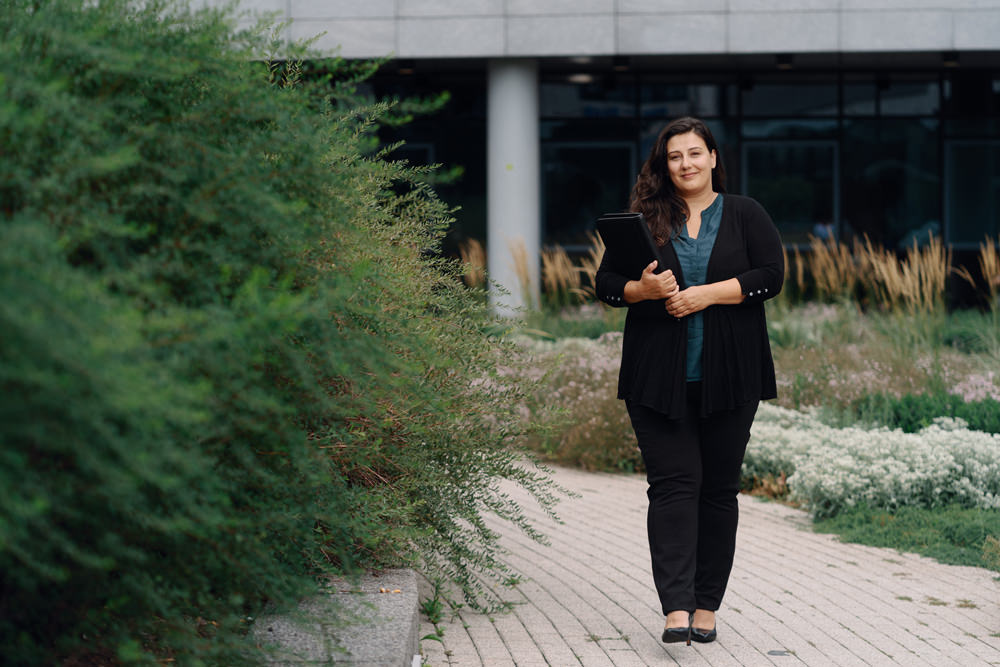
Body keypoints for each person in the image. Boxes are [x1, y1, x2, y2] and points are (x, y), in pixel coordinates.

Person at [595, 117, 784, 646]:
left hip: (733, 375)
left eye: (695, 153)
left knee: (719, 492)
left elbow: (771, 276)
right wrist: (642, 288)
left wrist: (707, 294)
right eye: (676, 156)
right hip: (658, 377)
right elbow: (607, 284)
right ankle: (675, 608)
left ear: (713, 158)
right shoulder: (643, 220)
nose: (686, 164)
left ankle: (707, 606)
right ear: (665, 163)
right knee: (674, 489)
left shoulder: (747, 213)